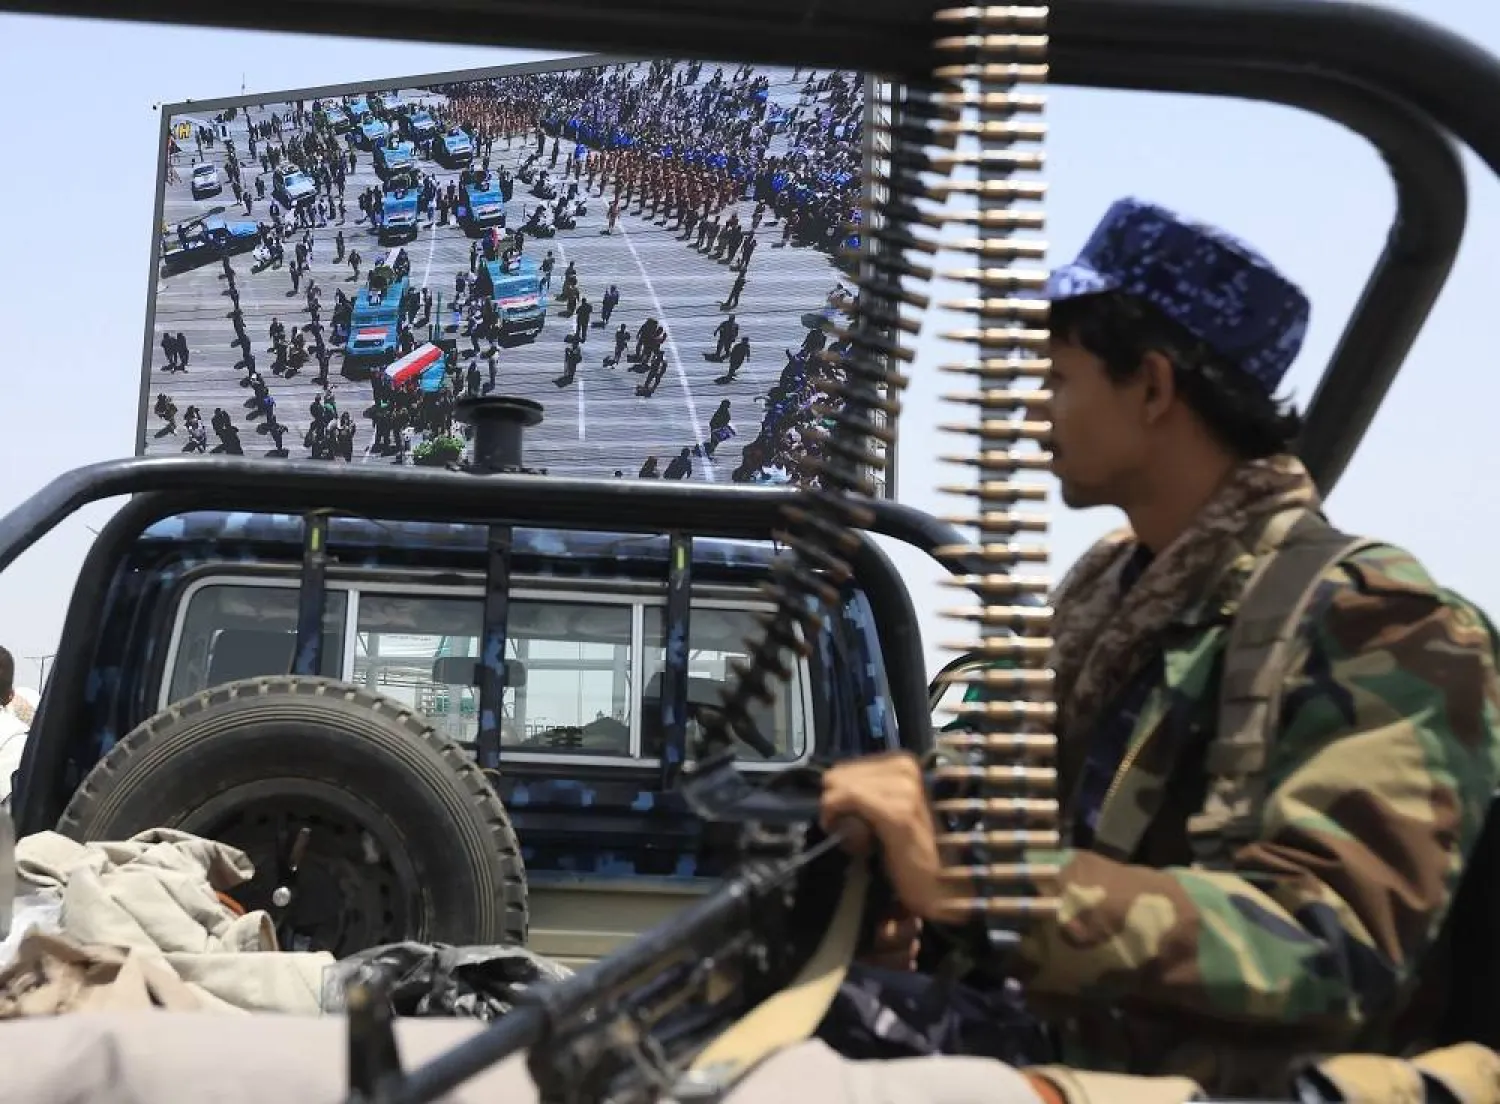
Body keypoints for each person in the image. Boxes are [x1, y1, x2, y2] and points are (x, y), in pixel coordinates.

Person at [818, 198, 1500, 1096]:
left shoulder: (1384, 625)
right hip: (1066, 1035)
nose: (1034, 413)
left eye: (1058, 380)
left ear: (1151, 387)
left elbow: (1332, 953)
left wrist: (991, 889)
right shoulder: (1108, 593)